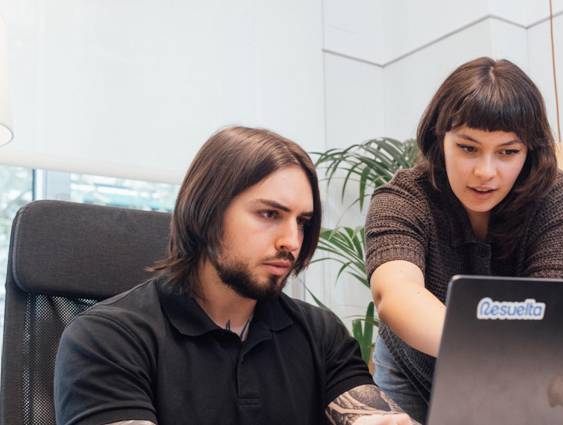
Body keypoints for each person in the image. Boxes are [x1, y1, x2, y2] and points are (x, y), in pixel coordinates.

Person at [54, 127, 418, 425]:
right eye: (269, 214)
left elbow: (372, 417)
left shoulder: (321, 334)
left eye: (302, 222)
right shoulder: (105, 339)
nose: (292, 241)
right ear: (206, 212)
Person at [365, 57, 563, 422]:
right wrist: (489, 348)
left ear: (530, 151)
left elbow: (553, 307)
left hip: (512, 372)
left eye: (508, 152)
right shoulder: (403, 198)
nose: (485, 172)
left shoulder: (555, 198)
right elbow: (396, 293)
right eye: (468, 148)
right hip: (411, 368)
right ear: (439, 138)